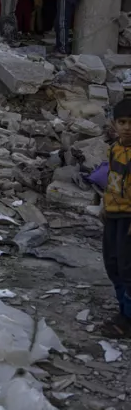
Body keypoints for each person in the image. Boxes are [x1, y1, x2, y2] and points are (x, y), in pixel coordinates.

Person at [101, 98, 131, 338]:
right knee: (112, 263)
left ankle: (128, 319)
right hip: (113, 214)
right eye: (122, 122)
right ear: (114, 124)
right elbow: (112, 180)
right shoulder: (115, 149)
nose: (127, 128)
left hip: (129, 218)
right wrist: (104, 206)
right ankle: (123, 310)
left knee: (128, 267)